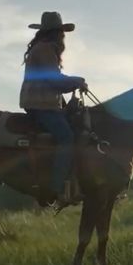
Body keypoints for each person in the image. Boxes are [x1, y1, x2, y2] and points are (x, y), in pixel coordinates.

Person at [19, 11, 87, 205]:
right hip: (41, 105)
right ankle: (55, 189)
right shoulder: (46, 49)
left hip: (42, 103)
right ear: (56, 33)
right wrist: (77, 81)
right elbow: (53, 80)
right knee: (66, 138)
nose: (63, 36)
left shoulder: (42, 48)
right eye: (61, 32)